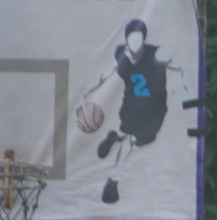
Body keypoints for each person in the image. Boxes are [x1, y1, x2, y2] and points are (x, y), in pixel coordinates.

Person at [76, 19, 190, 205]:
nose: (135, 42)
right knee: (131, 140)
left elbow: (183, 67)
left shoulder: (157, 54)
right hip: (132, 104)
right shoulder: (121, 54)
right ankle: (113, 181)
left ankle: (115, 137)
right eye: (132, 37)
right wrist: (86, 92)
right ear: (126, 39)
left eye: (139, 37)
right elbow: (103, 75)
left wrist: (182, 89)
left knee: (138, 139)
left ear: (144, 39)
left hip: (155, 108)